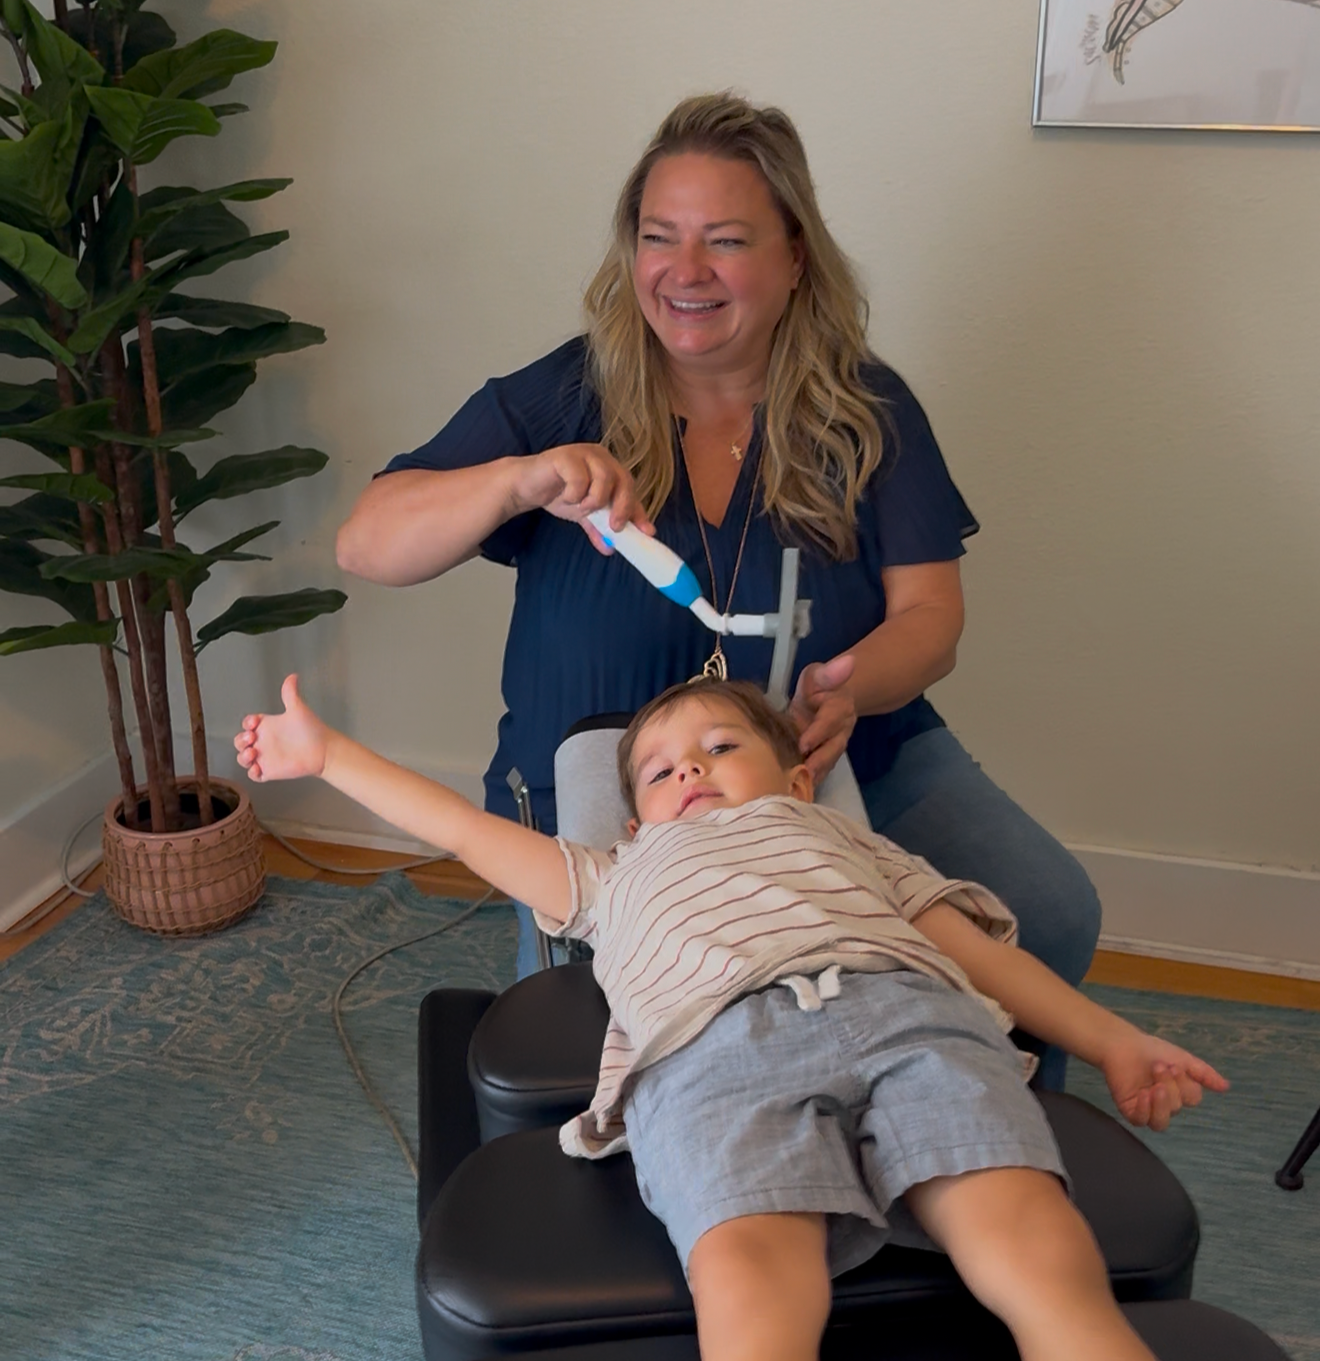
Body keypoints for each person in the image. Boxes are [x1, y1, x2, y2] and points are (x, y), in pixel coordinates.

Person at [335, 92, 1101, 1084]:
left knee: (1048, 912)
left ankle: (986, 1107)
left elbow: (931, 617)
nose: (685, 272)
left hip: (832, 765)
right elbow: (366, 542)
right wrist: (515, 480)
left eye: (725, 240)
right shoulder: (564, 396)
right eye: (660, 238)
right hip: (616, 801)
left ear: (792, 256)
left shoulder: (866, 410)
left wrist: (855, 686)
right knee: (616, 1030)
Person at [233, 674, 1226, 1361]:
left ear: (798, 778)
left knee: (1028, 1234)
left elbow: (985, 956)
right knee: (750, 1274)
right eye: (660, 770)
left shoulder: (846, 839)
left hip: (906, 1014)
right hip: (711, 1051)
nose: (691, 771)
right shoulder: (611, 873)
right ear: (633, 819)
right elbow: (457, 826)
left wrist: (1112, 1038)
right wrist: (327, 754)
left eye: (720, 747)